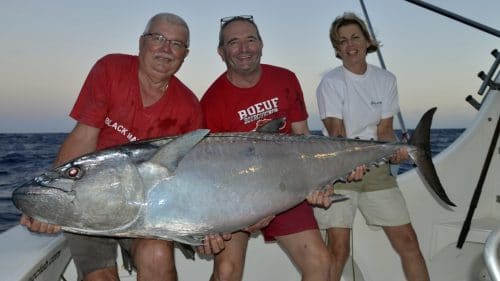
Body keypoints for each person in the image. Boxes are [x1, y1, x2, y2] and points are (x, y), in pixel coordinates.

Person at [19, 12, 227, 281]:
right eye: (158, 38)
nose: (166, 49)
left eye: (176, 44)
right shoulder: (111, 69)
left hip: (147, 209)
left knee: (157, 254)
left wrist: (206, 224)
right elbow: (83, 137)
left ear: (185, 54)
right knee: (100, 276)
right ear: (142, 43)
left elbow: (190, 179)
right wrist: (48, 205)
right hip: (89, 201)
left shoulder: (188, 106)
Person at [199, 15, 358, 281]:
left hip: (286, 187)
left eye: (250, 40)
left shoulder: (285, 79)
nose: (244, 49)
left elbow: (303, 138)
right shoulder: (211, 103)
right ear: (221, 52)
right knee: (226, 272)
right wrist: (244, 218)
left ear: (261, 44)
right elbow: (212, 176)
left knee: (321, 263)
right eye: (233, 42)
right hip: (237, 197)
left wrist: (318, 182)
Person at [314, 12, 430, 281]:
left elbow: (385, 133)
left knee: (408, 242)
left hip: (377, 170)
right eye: (342, 41)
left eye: (355, 37)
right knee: (338, 250)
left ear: (368, 41)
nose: (350, 44)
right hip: (339, 171)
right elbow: (336, 134)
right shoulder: (330, 82)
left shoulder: (386, 80)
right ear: (337, 48)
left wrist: (396, 154)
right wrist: (349, 165)